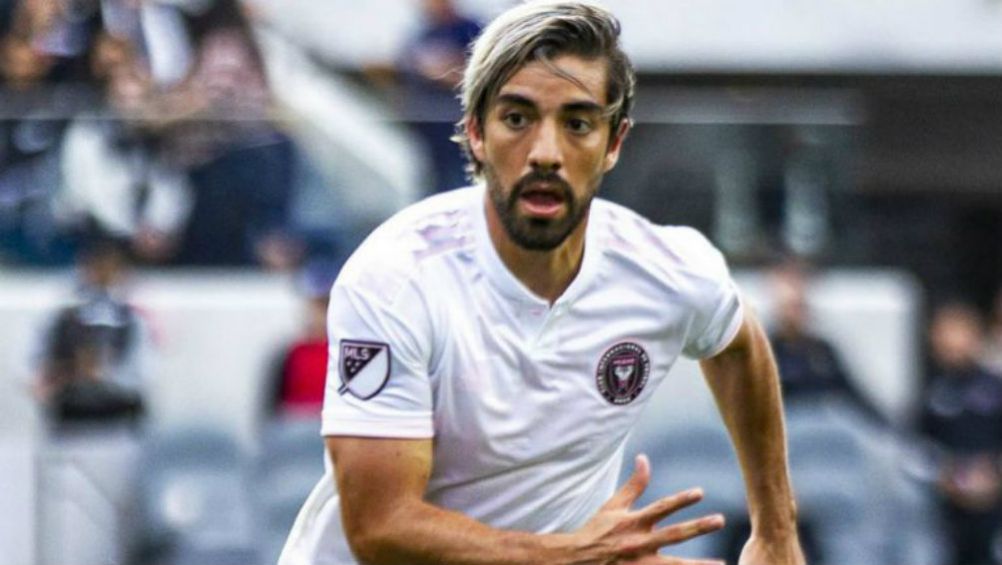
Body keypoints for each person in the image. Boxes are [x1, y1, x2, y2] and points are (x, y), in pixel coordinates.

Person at [280, 3, 804, 564]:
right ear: (476, 132)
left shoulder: (668, 269)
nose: (546, 154)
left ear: (614, 142)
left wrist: (775, 530)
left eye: (577, 124)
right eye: (517, 119)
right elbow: (382, 528)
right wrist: (573, 554)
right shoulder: (395, 279)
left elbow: (739, 344)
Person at [919, 302, 1002, 565]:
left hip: (993, 502)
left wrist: (994, 474)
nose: (953, 341)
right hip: (946, 504)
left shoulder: (995, 387)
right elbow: (914, 448)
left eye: (960, 332)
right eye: (945, 333)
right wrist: (943, 474)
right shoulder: (931, 393)